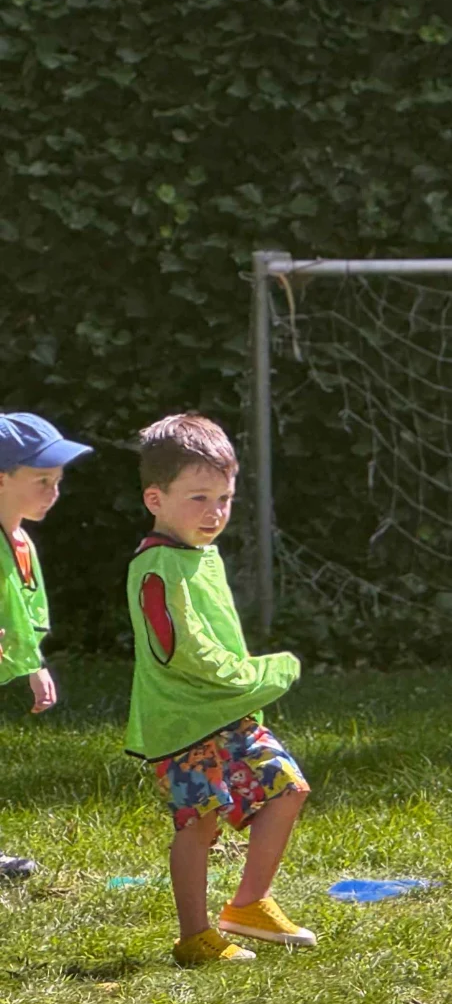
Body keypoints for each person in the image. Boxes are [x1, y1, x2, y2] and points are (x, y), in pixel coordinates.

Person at [127, 414, 312, 967]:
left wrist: (248, 683)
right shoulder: (158, 567)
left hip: (227, 715)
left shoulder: (198, 554)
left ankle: (248, 904)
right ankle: (195, 937)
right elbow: (186, 653)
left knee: (288, 790)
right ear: (155, 499)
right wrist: (267, 673)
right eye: (199, 498)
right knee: (199, 822)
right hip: (184, 723)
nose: (214, 513)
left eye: (225, 499)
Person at [0, 413, 92, 879]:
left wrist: (32, 664)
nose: (53, 492)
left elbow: (24, 611)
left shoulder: (20, 541)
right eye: (41, 480)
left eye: (57, 481)